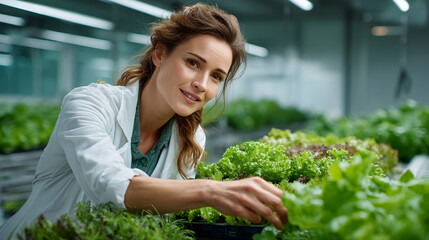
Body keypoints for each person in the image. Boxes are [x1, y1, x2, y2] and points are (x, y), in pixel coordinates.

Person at [0, 3, 288, 239]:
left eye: (215, 76)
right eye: (193, 63)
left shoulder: (192, 140)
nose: (201, 83)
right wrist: (210, 190)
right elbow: (109, 186)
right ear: (160, 54)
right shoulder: (89, 104)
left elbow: (156, 221)